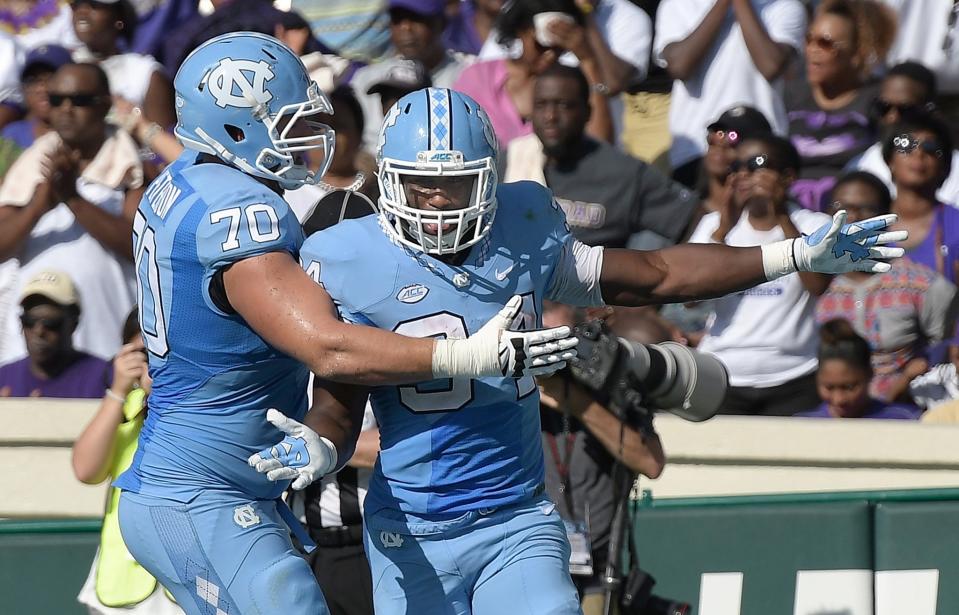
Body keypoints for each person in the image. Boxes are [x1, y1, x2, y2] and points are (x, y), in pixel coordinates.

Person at [253, 86, 904, 615]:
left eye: (452, 186)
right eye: (420, 183)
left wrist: (789, 253)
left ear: (489, 180)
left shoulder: (524, 228)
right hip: (412, 527)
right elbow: (339, 401)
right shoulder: (348, 257)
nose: (435, 202)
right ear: (388, 180)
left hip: (515, 516)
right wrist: (319, 445)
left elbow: (653, 273)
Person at [113, 33, 575, 615]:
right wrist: (463, 355)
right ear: (233, 128)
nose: (302, 138)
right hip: (199, 491)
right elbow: (327, 350)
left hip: (203, 484)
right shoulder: (241, 213)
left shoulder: (180, 184)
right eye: (284, 122)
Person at [0, 62, 141, 364]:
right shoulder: (32, 163)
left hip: (105, 333)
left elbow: (141, 247)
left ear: (104, 104)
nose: (65, 109)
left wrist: (73, 199)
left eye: (79, 100)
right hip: (31, 343)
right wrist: (39, 205)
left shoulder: (133, 166)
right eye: (56, 100)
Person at [690, 133, 833, 415]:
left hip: (795, 376)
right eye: (737, 167)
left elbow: (817, 285)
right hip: (723, 371)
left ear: (788, 177)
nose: (744, 174)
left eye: (756, 164)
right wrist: (722, 231)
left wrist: (781, 214)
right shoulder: (712, 227)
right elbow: (689, 298)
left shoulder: (814, 224)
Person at [536, 302, 665, 615]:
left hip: (597, 576)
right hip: (530, 570)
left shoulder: (607, 383)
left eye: (560, 341)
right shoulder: (509, 392)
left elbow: (651, 462)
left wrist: (575, 401)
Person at [505, 63, 699, 249]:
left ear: (587, 112)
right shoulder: (511, 161)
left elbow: (693, 220)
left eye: (563, 105)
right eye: (541, 105)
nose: (550, 116)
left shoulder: (625, 174)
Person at [72, 310, 183, 615]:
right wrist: (118, 390)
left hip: (186, 584)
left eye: (165, 353)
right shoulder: (122, 408)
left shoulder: (201, 410)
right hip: (123, 587)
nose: (156, 367)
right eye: (145, 355)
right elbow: (85, 470)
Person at [816, 172, 958, 402]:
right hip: (831, 410)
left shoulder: (919, 283)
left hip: (904, 410)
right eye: (841, 208)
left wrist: (908, 378)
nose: (852, 218)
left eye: (866, 209)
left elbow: (942, 345)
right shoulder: (815, 281)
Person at [654, 0, 807, 187]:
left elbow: (771, 65)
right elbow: (679, 67)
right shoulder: (677, 4)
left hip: (759, 152)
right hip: (695, 150)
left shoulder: (783, 6)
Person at [453, 0, 614, 149]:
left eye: (559, 49)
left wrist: (588, 61)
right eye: (541, 45)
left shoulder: (569, 84)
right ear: (521, 31)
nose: (550, 55)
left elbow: (600, 145)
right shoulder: (478, 77)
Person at [785, 0, 897, 212]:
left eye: (825, 43)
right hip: (793, 212)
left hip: (850, 215)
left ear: (857, 53)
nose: (812, 50)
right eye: (809, 40)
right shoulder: (792, 94)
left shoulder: (877, 99)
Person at [288, 401, 379, 615]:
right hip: (302, 544)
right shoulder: (288, 376)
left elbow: (396, 444)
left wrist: (326, 448)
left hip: (364, 545)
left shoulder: (377, 374)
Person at [352, 0, 474, 150]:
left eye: (417, 18)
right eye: (397, 19)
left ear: (441, 23)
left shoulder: (470, 76)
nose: (406, 27)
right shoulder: (366, 79)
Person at [846, 61, 959, 206]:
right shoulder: (863, 163)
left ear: (930, 109)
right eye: (884, 107)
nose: (892, 117)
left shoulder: (956, 168)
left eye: (905, 109)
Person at [0, 269, 110, 398]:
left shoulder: (104, 378)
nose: (39, 331)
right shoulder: (4, 379)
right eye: (29, 321)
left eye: (50, 323)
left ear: (73, 324)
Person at [70, 0, 175, 128]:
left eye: (94, 5)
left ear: (119, 18)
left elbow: (166, 142)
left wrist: (137, 124)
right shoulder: (61, 66)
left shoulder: (145, 73)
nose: (82, 11)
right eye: (76, 5)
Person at [285, 86, 378, 221]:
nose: (326, 135)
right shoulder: (289, 190)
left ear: (358, 135)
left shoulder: (379, 188)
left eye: (337, 126)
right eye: (318, 125)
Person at [796, 318, 921, 419]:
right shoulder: (801, 426)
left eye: (849, 387)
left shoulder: (904, 421)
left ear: (870, 373)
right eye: (829, 388)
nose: (839, 399)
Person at [884, 115, 959, 282]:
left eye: (931, 147)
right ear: (890, 161)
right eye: (905, 145)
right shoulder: (868, 224)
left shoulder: (957, 225)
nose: (919, 153)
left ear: (945, 166)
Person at [699, 105, 772, 213]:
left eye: (733, 140)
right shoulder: (684, 211)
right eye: (716, 135)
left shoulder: (775, 216)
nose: (721, 144)